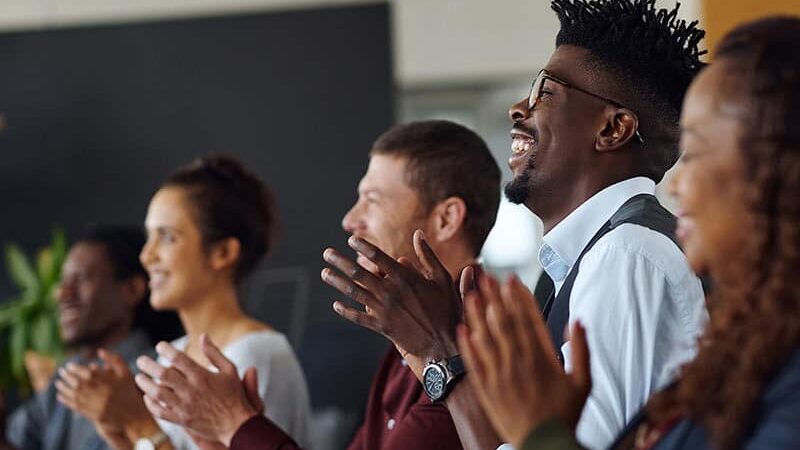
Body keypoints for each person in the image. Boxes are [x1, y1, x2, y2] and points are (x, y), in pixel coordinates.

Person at [320, 1, 710, 449]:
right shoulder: (595, 260)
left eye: (546, 90)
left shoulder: (625, 255)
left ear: (613, 129)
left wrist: (440, 354)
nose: (518, 108)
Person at [459, 16, 800, 450]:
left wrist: (540, 435)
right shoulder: (752, 344)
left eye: (697, 151)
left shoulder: (626, 252)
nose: (676, 184)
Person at [132, 120, 502, 450]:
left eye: (371, 201)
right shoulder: (405, 337)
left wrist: (236, 424)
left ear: (446, 219)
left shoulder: (479, 338)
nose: (350, 219)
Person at [56, 156, 312, 450]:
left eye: (166, 237)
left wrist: (138, 423)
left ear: (223, 253)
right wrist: (116, 429)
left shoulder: (257, 355)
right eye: (149, 237)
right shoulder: (172, 355)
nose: (146, 256)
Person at [5, 226, 154, 450]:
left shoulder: (152, 378)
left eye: (81, 279)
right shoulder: (68, 372)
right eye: (63, 282)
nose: (63, 294)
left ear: (131, 290)